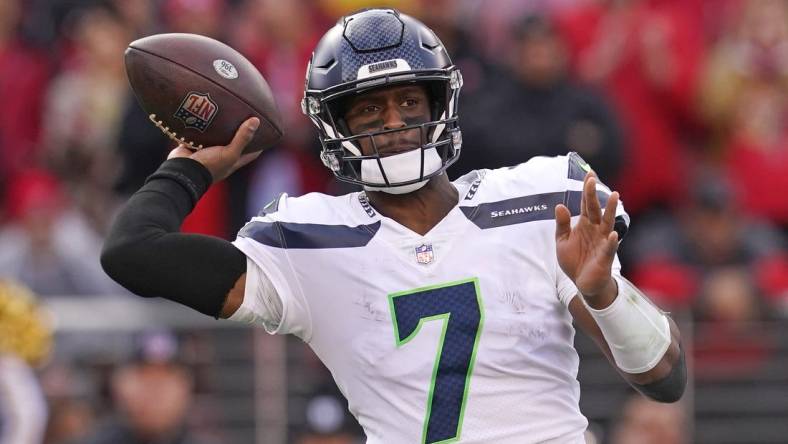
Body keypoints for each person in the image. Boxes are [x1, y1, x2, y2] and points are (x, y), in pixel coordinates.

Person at [102, 8, 686, 443]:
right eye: (369, 109)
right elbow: (132, 251)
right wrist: (193, 165)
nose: (394, 123)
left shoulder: (538, 200)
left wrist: (603, 295)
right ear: (335, 126)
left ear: (439, 106)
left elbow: (664, 379)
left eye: (409, 103)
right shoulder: (307, 240)